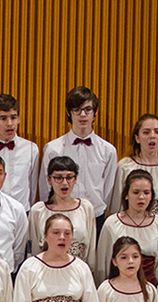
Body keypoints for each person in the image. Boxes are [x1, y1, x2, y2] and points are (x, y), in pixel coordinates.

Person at [40, 87, 120, 220]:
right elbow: (46, 187)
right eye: (77, 110)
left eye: (88, 109)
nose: (83, 114)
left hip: (95, 216)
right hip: (60, 215)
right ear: (68, 112)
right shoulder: (53, 149)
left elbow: (108, 190)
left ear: (95, 112)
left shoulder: (108, 150)